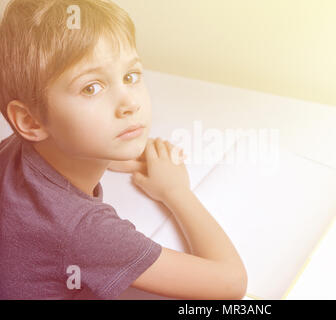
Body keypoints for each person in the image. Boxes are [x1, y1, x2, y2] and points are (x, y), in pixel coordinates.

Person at [0, 0, 247, 299]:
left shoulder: (13, 151)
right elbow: (230, 285)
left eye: (130, 77)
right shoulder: (83, 231)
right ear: (29, 120)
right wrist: (176, 191)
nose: (130, 103)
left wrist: (105, 152)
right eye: (91, 87)